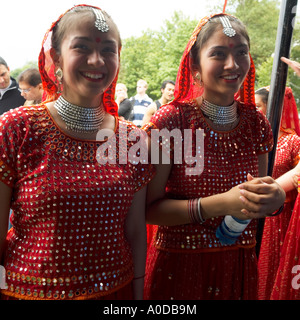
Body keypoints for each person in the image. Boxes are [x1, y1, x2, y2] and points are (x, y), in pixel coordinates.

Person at [0, 4, 154, 301]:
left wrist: (137, 296)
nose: (97, 60)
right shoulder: (16, 128)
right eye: (81, 47)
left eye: (108, 50)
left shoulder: (133, 139)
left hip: (115, 294)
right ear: (55, 58)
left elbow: (135, 232)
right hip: (29, 294)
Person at [143, 13, 285, 300]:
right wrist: (219, 204)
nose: (233, 64)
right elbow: (148, 210)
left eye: (241, 52)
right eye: (219, 54)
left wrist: (275, 200)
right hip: (180, 266)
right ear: (195, 66)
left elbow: (256, 197)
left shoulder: (256, 123)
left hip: (238, 263)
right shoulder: (171, 121)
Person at [255, 86, 300, 300]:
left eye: (258, 106)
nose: (255, 112)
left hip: (279, 217)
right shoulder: (252, 139)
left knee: (272, 267)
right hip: (250, 211)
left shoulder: (293, 142)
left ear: (273, 109)